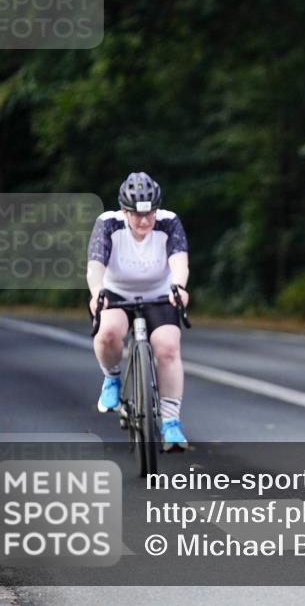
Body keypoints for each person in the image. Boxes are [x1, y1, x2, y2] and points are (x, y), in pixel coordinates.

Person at [86, 172, 191, 451]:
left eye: (150, 214)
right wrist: (97, 293)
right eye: (136, 215)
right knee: (108, 333)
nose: (144, 221)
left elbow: (179, 261)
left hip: (159, 294)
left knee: (167, 348)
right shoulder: (108, 223)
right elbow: (95, 265)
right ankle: (111, 377)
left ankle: (170, 423)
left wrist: (179, 286)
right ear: (124, 211)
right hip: (116, 292)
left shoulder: (169, 222)